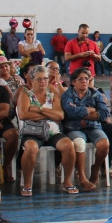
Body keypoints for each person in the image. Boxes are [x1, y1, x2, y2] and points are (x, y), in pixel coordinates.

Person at [16, 64, 77, 196]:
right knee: (30, 148)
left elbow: (60, 116)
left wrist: (39, 109)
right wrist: (49, 113)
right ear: (32, 80)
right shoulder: (25, 95)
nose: (43, 81)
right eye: (39, 79)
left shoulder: (53, 96)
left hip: (52, 132)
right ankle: (27, 184)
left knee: (69, 145)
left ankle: (67, 181)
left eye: (45, 78)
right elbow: (23, 115)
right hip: (33, 131)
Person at [62, 67, 111, 191]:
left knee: (104, 144)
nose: (85, 81)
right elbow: (69, 113)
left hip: (93, 127)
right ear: (73, 82)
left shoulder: (95, 93)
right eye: (81, 79)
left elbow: (104, 113)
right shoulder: (67, 94)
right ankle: (83, 178)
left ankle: (95, 169)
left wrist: (81, 111)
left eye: (87, 79)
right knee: (79, 143)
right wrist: (90, 109)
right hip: (74, 127)